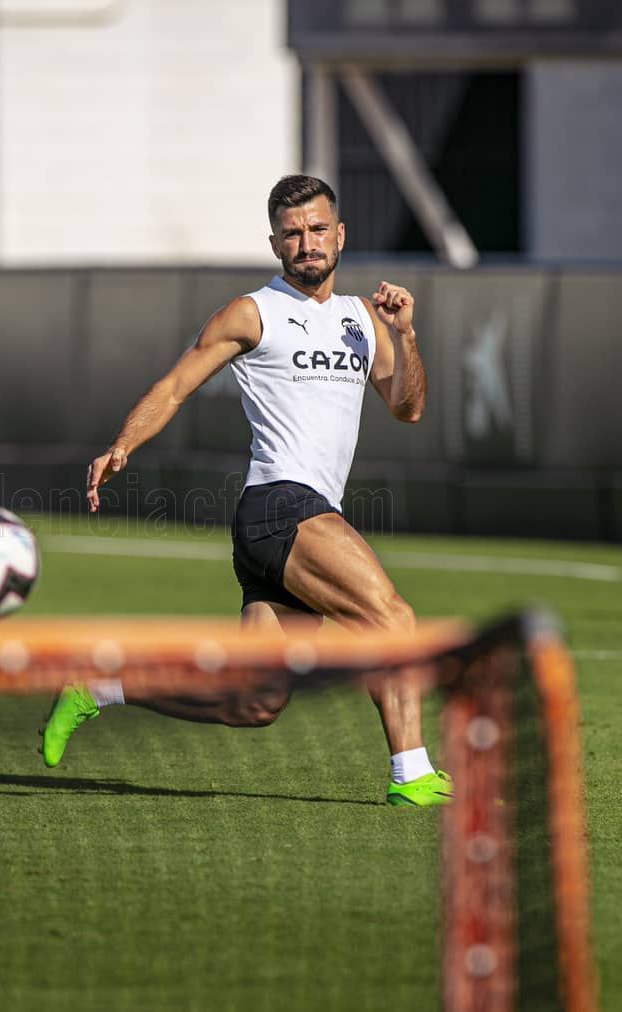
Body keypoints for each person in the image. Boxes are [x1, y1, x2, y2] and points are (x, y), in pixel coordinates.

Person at [41, 174, 451, 808]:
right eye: (292, 234)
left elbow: (408, 409)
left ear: (339, 236)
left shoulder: (362, 319)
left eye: (317, 230)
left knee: (253, 702)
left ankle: (102, 686)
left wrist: (406, 336)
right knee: (391, 619)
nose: (306, 243)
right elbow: (176, 386)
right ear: (274, 244)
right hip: (281, 506)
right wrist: (123, 444)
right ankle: (411, 774)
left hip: (296, 522)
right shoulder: (252, 312)